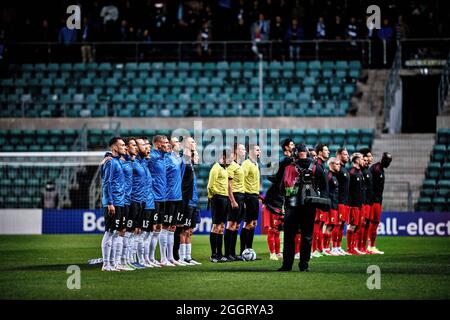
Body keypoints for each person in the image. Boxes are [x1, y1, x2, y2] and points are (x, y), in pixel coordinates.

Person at [278, 144, 328, 272]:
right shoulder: (317, 167)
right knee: (307, 236)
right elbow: (324, 187)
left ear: (295, 154)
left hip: (292, 207)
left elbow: (281, 188)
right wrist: (321, 200)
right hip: (309, 207)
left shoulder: (289, 168)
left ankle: (287, 265)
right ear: (307, 153)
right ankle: (304, 265)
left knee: (289, 237)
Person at [100, 137, 126, 271]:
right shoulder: (111, 162)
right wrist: (110, 202)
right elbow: (106, 182)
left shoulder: (116, 161)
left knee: (115, 232)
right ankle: (106, 264)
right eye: (122, 145)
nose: (124, 147)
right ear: (114, 147)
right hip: (113, 202)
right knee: (110, 232)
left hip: (119, 201)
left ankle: (113, 263)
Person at [164, 136, 186, 266]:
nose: (179, 144)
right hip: (169, 196)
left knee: (173, 227)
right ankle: (164, 257)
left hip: (178, 196)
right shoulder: (167, 158)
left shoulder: (179, 159)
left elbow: (181, 177)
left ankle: (171, 257)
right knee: (165, 227)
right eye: (176, 142)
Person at [207, 148, 231, 263]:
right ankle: (213, 254)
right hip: (218, 198)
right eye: (230, 158)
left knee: (221, 226)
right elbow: (210, 186)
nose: (231, 161)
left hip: (225, 198)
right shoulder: (215, 168)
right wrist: (213, 198)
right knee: (216, 226)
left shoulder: (224, 169)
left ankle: (220, 253)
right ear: (224, 157)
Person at [148, 135, 169, 266]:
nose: (168, 145)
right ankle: (147, 258)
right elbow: (137, 161)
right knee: (151, 227)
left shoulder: (163, 157)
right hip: (154, 197)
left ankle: (151, 258)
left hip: (163, 197)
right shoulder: (152, 156)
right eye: (165, 143)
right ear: (157, 145)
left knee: (159, 227)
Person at [225, 143, 246, 261]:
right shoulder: (231, 165)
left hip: (241, 196)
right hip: (235, 196)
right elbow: (229, 185)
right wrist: (232, 200)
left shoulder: (239, 165)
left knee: (236, 225)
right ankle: (227, 253)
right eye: (242, 149)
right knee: (231, 225)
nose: (245, 151)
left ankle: (232, 253)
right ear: (235, 152)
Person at [368, 152, 392, 254]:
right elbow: (369, 185)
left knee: (373, 223)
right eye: (387, 160)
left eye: (389, 161)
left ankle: (369, 246)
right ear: (383, 159)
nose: (388, 163)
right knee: (373, 223)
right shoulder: (376, 169)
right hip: (374, 201)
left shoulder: (379, 169)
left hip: (377, 200)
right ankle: (370, 246)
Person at [181, 150, 201, 265]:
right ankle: (182, 257)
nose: (198, 158)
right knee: (184, 230)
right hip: (188, 203)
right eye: (197, 155)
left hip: (194, 202)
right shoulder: (187, 168)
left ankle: (188, 256)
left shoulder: (192, 169)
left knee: (190, 231)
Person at [241, 144, 261, 254]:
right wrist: (243, 199)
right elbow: (241, 180)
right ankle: (243, 251)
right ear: (251, 151)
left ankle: (249, 249)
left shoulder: (256, 164)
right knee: (247, 223)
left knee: (253, 223)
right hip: (248, 196)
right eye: (257, 150)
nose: (260, 151)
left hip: (254, 196)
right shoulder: (246, 164)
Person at [312, 143, 329, 257]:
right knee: (316, 225)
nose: (328, 152)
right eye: (325, 150)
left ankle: (318, 248)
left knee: (320, 225)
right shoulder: (317, 166)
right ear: (319, 153)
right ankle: (314, 250)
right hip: (317, 200)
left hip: (321, 199)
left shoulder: (322, 166)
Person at [333, 147, 351, 255]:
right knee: (337, 224)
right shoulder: (338, 170)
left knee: (342, 225)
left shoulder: (344, 169)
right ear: (339, 155)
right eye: (345, 154)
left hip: (345, 202)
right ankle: (334, 247)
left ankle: (338, 246)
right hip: (339, 201)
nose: (347, 156)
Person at [347, 153, 365, 255]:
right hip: (353, 204)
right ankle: (350, 248)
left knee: (358, 225)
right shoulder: (352, 172)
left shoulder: (359, 172)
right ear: (357, 160)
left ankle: (354, 247)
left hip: (360, 203)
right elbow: (348, 189)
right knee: (352, 225)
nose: (363, 160)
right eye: (362, 158)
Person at [325, 157, 341, 256]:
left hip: (334, 204)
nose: (339, 166)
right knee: (328, 226)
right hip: (330, 205)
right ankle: (325, 248)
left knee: (332, 226)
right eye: (337, 164)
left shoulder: (334, 176)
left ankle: (327, 248)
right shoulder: (329, 176)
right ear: (331, 164)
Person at [359, 148, 374, 254]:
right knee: (362, 224)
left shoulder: (368, 170)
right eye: (367, 156)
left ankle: (363, 247)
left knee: (367, 223)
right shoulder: (361, 172)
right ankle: (358, 246)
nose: (369, 158)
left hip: (369, 201)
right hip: (363, 202)